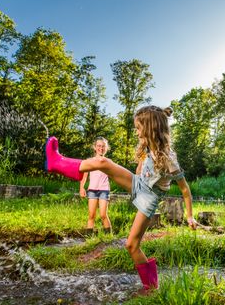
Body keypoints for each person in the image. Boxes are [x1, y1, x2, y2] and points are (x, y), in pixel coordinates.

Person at [44, 105, 199, 292]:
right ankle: (56, 162)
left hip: (149, 198)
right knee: (103, 162)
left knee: (132, 245)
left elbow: (185, 190)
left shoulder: (169, 158)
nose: (136, 131)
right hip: (138, 185)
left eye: (138, 127)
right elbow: (140, 173)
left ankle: (150, 288)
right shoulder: (148, 148)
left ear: (150, 128)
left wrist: (189, 216)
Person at [79, 137, 112, 235]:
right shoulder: (89, 161)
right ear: (95, 147)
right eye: (99, 146)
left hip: (104, 190)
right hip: (92, 190)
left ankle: (109, 238)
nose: (101, 148)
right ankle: (89, 239)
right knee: (91, 215)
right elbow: (84, 176)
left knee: (103, 215)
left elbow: (115, 175)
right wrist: (81, 188)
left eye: (103, 146)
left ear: (106, 148)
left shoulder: (108, 162)